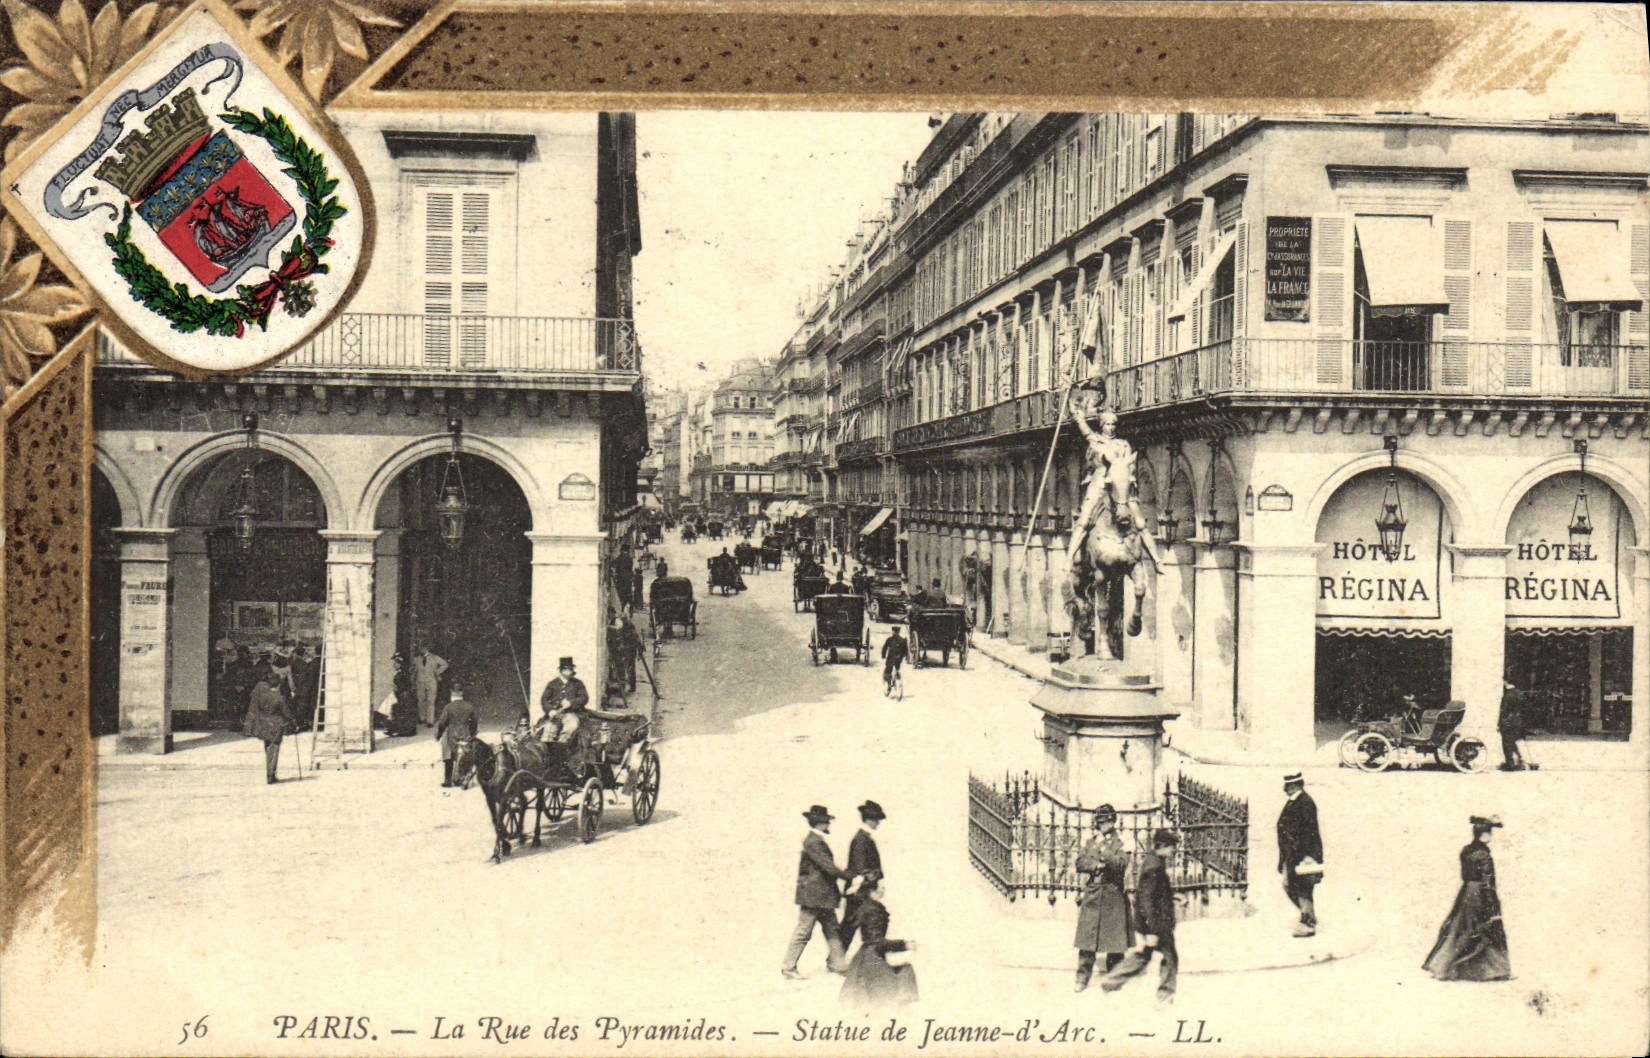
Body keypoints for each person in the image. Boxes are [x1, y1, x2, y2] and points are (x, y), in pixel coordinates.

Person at [1424, 815, 1511, 981]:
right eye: (1488, 832)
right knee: (1488, 928)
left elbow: (1465, 874)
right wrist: (1492, 902)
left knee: (1460, 929)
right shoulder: (1484, 855)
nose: (1490, 836)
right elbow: (1487, 881)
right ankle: (1492, 970)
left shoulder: (1466, 851)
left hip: (1466, 893)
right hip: (1480, 894)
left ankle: (1446, 966)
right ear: (1483, 834)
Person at [1099, 828, 1179, 1003]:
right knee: (1168, 957)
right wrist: (1150, 931)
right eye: (1172, 846)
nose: (1174, 851)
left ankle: (1111, 982)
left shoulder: (1155, 861)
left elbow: (1155, 895)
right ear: (1163, 845)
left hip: (1156, 923)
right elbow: (1146, 900)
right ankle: (1164, 996)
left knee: (1144, 957)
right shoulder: (1154, 867)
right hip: (1156, 925)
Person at [782, 805, 859, 980]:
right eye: (826, 822)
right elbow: (828, 867)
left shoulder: (815, 840)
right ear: (819, 823)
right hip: (814, 897)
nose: (828, 824)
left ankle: (838, 964)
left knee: (832, 929)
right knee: (804, 931)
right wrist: (849, 875)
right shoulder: (813, 842)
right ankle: (788, 967)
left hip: (822, 897)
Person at [1074, 804, 1133, 990]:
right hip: (1093, 892)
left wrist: (1105, 852)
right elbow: (1080, 862)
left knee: (1115, 941)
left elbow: (1122, 863)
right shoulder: (1090, 841)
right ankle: (1082, 978)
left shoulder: (1123, 841)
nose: (1102, 825)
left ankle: (1114, 977)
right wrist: (1095, 866)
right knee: (1087, 939)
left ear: (1113, 821)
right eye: (1099, 822)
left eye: (1106, 821)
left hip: (1113, 893)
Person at [838, 878, 918, 1009]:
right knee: (901, 980)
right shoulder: (873, 910)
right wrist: (904, 945)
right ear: (872, 890)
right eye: (881, 887)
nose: (883, 889)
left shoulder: (867, 907)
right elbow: (876, 942)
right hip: (872, 959)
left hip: (866, 957)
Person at [1277, 771, 1324, 937]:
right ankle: (1308, 915)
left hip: (1302, 855)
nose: (1284, 789)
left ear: (1295, 785)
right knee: (1290, 885)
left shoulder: (1305, 803)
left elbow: (1309, 832)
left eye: (1287, 786)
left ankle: (1308, 922)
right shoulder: (1294, 801)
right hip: (1292, 855)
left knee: (1302, 888)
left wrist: (1307, 856)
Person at [840, 801, 885, 949]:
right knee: (850, 924)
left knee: (855, 923)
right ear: (869, 820)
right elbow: (859, 869)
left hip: (863, 888)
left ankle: (836, 960)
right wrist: (874, 882)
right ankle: (835, 960)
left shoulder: (865, 838)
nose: (878, 823)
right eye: (876, 820)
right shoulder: (861, 839)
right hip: (859, 890)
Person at [242, 666, 295, 785]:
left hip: (264, 725)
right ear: (279, 685)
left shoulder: (262, 697)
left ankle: (269, 772)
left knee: (267, 749)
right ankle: (271, 774)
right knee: (274, 749)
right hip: (276, 726)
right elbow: (287, 713)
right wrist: (293, 722)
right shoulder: (279, 698)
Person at [435, 680, 478, 787]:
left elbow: (442, 723)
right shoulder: (469, 706)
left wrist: (439, 735)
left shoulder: (448, 707)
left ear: (452, 693)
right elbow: (474, 722)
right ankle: (462, 778)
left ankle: (448, 780)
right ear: (462, 693)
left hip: (451, 734)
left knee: (448, 755)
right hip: (465, 733)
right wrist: (472, 734)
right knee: (465, 756)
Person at [536, 657, 589, 743]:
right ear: (560, 670)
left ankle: (561, 746)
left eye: (570, 669)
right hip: (555, 714)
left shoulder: (578, 683)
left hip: (571, 714)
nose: (568, 671)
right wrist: (550, 711)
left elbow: (584, 698)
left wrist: (571, 703)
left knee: (571, 726)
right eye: (565, 669)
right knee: (548, 730)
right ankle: (548, 750)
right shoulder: (552, 684)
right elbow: (544, 700)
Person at [413, 644, 448, 728]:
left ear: (427, 648)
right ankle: (422, 718)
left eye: (423, 648)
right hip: (420, 681)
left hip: (431, 681)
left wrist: (437, 672)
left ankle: (430, 721)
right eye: (420, 648)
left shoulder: (434, 658)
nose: (422, 649)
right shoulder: (417, 659)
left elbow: (445, 664)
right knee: (421, 700)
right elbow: (414, 670)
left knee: (431, 701)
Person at [1497, 679, 1529, 771]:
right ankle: (1519, 761)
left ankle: (1510, 764)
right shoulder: (1519, 693)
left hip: (1508, 722)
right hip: (1518, 721)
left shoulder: (1508, 695)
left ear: (1505, 682)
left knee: (1506, 743)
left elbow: (1504, 710)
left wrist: (1500, 723)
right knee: (1513, 742)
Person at [388, 650, 419, 737]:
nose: (394, 665)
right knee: (400, 711)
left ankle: (406, 731)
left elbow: (404, 685)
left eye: (396, 663)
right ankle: (400, 729)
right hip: (402, 694)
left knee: (403, 712)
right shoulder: (400, 672)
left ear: (400, 663)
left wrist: (398, 689)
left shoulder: (403, 673)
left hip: (404, 694)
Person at [607, 614, 640, 694]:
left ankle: (630, 687)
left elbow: (628, 639)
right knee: (628, 668)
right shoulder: (628, 626)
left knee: (628, 668)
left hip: (630, 650)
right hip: (629, 650)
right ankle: (629, 686)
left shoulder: (628, 628)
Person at [881, 626, 908, 693]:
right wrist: (904, 656)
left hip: (891, 658)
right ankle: (896, 676)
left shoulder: (890, 639)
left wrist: (883, 655)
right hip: (898, 658)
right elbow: (905, 650)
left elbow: (885, 648)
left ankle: (888, 685)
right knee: (897, 668)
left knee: (887, 671)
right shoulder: (902, 640)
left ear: (893, 632)